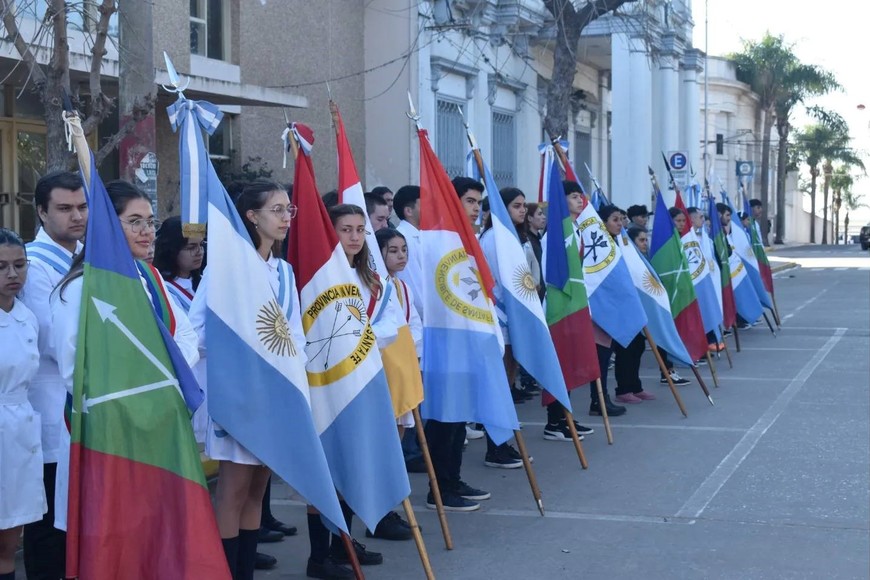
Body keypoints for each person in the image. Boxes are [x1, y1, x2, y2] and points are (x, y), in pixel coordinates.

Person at [51, 182, 200, 548]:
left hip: (155, 427)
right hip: (108, 435)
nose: (147, 231)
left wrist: (150, 382)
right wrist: (144, 382)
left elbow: (187, 340)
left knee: (152, 539)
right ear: (105, 226)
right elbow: (75, 371)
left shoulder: (150, 278)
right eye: (134, 221)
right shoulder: (77, 289)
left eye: (150, 221)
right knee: (109, 543)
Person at [18, 170, 86, 580]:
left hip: (81, 409)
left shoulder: (86, 256)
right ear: (41, 212)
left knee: (77, 522)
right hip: (48, 413)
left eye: (81, 207)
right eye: (64, 208)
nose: (76, 216)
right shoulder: (33, 263)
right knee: (47, 530)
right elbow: (52, 340)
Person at [0, 228, 46, 580]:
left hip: (19, 434)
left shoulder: (26, 316)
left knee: (10, 536)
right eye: (1, 267)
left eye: (19, 265)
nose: (12, 275)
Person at [561, 182, 627, 417]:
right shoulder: (561, 231)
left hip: (592, 301)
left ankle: (599, 398)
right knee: (568, 360)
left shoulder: (580, 230)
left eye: (581, 197)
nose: (580, 201)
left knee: (602, 354)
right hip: (573, 304)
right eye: (574, 197)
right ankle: (562, 417)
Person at [599, 206, 655, 404]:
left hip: (629, 301)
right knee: (623, 348)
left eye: (622, 219)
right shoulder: (603, 243)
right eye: (615, 219)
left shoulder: (622, 243)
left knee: (638, 345)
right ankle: (621, 390)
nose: (620, 223)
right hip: (613, 304)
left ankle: (634, 385)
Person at [627, 226, 691, 387]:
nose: (645, 243)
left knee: (647, 343)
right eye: (641, 240)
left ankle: (638, 385)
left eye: (646, 239)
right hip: (637, 311)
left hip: (649, 309)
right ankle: (627, 388)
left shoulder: (644, 258)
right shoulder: (630, 260)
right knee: (631, 351)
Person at [153, 215, 204, 313]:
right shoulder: (163, 289)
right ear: (172, 250)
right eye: (191, 247)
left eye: (201, 245)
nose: (199, 252)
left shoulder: (205, 282)